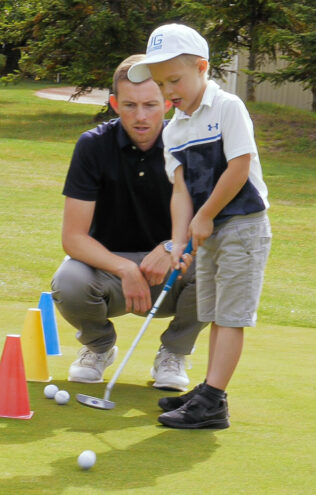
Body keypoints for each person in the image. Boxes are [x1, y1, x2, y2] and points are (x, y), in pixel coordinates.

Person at [127, 23, 272, 429]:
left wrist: (205, 216)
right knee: (212, 311)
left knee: (230, 315)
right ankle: (211, 389)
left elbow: (239, 168)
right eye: (160, 83)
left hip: (243, 226)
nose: (167, 90)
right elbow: (180, 191)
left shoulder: (227, 107)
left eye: (174, 79)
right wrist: (177, 242)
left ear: (202, 67)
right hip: (208, 233)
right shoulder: (173, 130)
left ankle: (213, 400)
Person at [51, 54, 208, 392]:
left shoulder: (188, 144)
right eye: (130, 105)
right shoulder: (92, 146)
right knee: (68, 281)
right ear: (113, 103)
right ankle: (99, 347)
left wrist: (171, 246)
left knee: (218, 269)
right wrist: (125, 268)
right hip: (109, 274)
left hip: (170, 270)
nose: (141, 116)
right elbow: (73, 238)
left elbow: (208, 224)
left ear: (167, 103)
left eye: (151, 104)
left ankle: (174, 352)